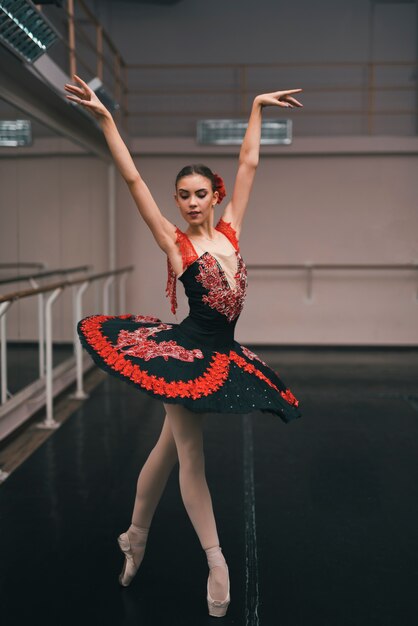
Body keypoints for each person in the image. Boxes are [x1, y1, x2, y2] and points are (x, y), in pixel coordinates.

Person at [65, 75, 303, 618]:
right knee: (190, 456)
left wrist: (257, 108)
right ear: (177, 201)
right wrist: (105, 119)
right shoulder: (176, 245)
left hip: (224, 353)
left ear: (214, 196)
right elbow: (131, 179)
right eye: (183, 196)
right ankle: (216, 560)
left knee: (165, 450)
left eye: (200, 194)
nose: (192, 203)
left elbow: (248, 165)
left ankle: (134, 536)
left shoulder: (231, 231)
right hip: (184, 357)